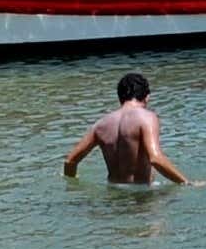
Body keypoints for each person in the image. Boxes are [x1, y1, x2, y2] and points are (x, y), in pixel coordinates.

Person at [63, 72, 192, 185]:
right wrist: (187, 182)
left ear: (120, 97)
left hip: (112, 195)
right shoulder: (147, 117)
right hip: (142, 199)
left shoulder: (101, 124)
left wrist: (73, 183)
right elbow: (156, 159)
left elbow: (70, 161)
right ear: (147, 97)